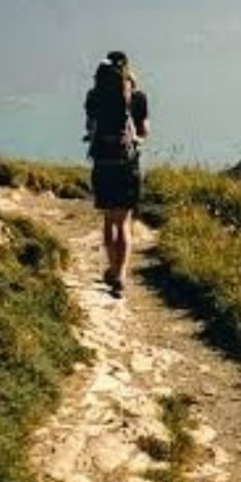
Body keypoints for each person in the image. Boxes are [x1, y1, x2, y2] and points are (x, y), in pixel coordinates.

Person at [84, 50, 150, 298]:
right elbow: (143, 131)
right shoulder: (138, 97)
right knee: (123, 222)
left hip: (103, 163)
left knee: (109, 220)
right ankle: (120, 274)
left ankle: (111, 268)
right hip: (127, 165)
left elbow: (90, 126)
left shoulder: (94, 96)